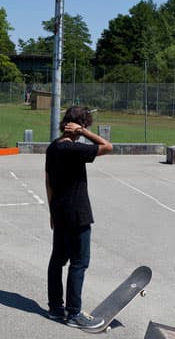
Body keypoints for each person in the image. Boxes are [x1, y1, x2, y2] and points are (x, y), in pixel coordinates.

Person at [45, 106, 114, 329]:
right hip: (77, 213)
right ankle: (74, 312)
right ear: (78, 126)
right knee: (79, 262)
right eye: (84, 126)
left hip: (59, 212)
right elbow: (108, 146)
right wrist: (84, 132)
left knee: (58, 260)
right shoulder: (73, 149)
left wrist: (52, 212)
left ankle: (55, 308)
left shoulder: (53, 147)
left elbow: (48, 181)